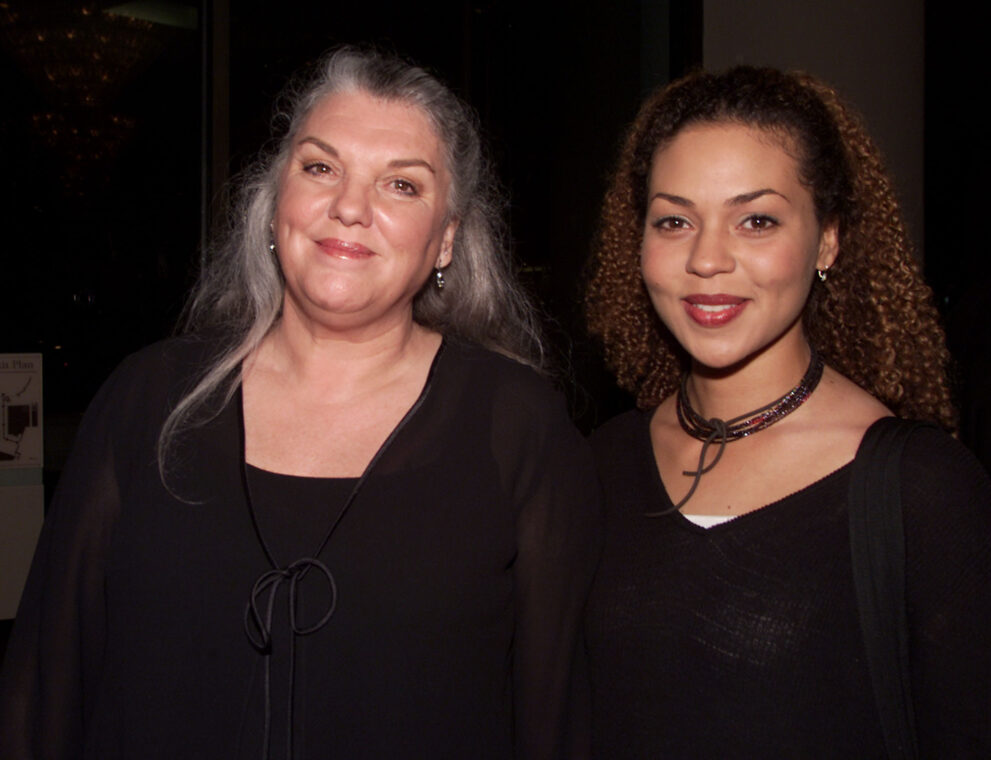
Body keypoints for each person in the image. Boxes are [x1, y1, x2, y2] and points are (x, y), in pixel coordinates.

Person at [0, 47, 600, 759]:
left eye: (401, 185)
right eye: (320, 167)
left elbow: (555, 718)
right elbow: (45, 688)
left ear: (445, 241)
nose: (349, 206)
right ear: (273, 198)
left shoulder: (518, 427)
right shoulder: (148, 399)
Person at [584, 66, 990, 758]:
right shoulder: (599, 460)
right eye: (674, 220)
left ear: (826, 240)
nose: (706, 259)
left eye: (756, 220)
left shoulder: (919, 490)